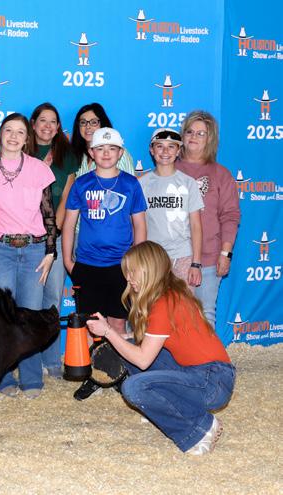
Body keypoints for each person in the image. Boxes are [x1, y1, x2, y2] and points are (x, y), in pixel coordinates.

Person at [86, 241, 235, 455]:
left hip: (212, 381)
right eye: (127, 272)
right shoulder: (169, 295)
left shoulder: (163, 303)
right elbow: (149, 340)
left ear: (149, 270)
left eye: (133, 272)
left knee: (134, 388)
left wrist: (109, 331)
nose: (128, 278)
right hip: (205, 374)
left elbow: (143, 360)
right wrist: (118, 336)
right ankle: (164, 408)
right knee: (126, 347)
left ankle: (200, 427)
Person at [0, 113, 56, 399]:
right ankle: (3, 376)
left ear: (26, 138)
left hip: (34, 250)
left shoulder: (39, 169)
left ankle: (32, 378)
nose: (13, 136)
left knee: (30, 313)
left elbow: (48, 212)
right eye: (8, 130)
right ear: (1, 134)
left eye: (20, 132)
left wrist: (51, 251)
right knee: (1, 316)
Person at [62, 127, 147, 400]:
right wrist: (68, 260)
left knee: (118, 325)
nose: (106, 153)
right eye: (100, 148)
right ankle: (94, 377)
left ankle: (117, 374)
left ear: (121, 153)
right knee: (91, 325)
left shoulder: (131, 184)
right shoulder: (82, 184)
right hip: (87, 265)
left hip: (121, 267)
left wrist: (137, 262)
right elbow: (69, 224)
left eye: (112, 149)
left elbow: (140, 226)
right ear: (91, 153)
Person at [29, 102, 81, 377]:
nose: (47, 126)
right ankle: (29, 361)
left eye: (53, 122)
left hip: (56, 237)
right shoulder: (21, 151)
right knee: (28, 302)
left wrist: (54, 230)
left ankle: (51, 360)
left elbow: (68, 194)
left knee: (52, 299)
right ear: (33, 123)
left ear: (59, 127)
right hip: (26, 238)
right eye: (43, 120)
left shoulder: (67, 155)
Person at [176, 111, 240, 327]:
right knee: (172, 315)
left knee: (205, 315)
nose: (193, 137)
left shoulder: (221, 174)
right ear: (182, 136)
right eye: (189, 132)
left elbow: (230, 216)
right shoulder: (168, 169)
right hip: (171, 258)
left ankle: (208, 352)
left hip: (208, 258)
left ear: (210, 139)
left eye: (201, 133)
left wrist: (225, 253)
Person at [140, 128, 203, 286]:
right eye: (160, 146)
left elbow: (196, 225)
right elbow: (137, 225)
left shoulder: (189, 183)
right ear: (151, 150)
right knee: (153, 302)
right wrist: (140, 259)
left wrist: (196, 263)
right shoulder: (141, 184)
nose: (165, 151)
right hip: (153, 257)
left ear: (178, 150)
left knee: (183, 301)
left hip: (183, 256)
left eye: (171, 146)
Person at [70, 103, 135, 179]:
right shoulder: (79, 156)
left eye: (94, 122)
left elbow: (129, 184)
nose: (88, 126)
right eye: (83, 122)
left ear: (103, 124)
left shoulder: (118, 154)